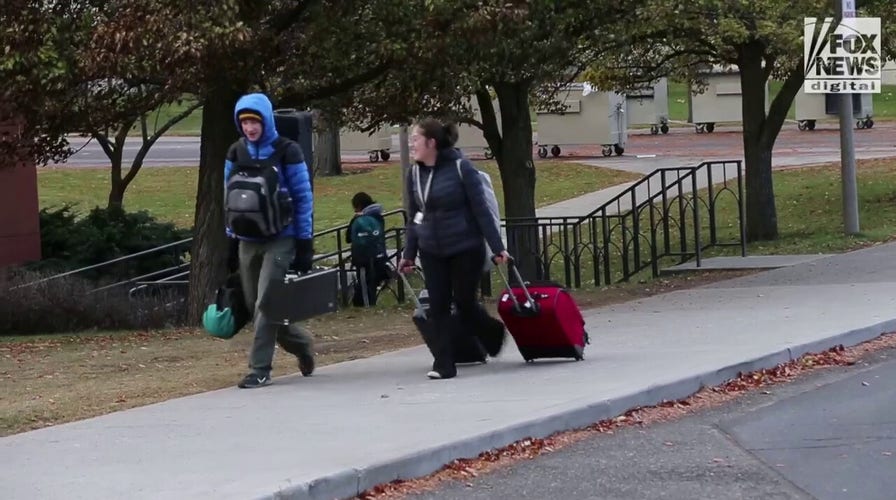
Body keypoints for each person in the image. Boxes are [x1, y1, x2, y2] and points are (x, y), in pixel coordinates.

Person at [398, 118, 510, 380]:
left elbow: (481, 211)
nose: (411, 144)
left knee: (464, 303)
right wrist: (408, 254)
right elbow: (414, 217)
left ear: (431, 143)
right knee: (437, 307)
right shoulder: (413, 174)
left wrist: (497, 248)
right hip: (431, 249)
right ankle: (444, 364)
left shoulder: (462, 169)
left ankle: (493, 332)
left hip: (464, 247)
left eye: (416, 139)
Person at [224, 92, 316, 389]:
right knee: (258, 307)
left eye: (255, 120)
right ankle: (302, 344)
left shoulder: (287, 151)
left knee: (266, 304)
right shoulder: (236, 152)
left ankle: (259, 369)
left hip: (282, 238)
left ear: (266, 120)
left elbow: (303, 198)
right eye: (245, 121)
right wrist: (229, 240)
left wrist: (304, 242)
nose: (250, 127)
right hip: (247, 239)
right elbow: (229, 198)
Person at [346, 191, 389, 307]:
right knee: (373, 283)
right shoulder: (378, 216)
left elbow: (348, 238)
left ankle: (366, 306)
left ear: (358, 206)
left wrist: (353, 220)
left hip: (362, 258)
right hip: (379, 256)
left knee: (364, 284)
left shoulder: (358, 220)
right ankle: (371, 303)